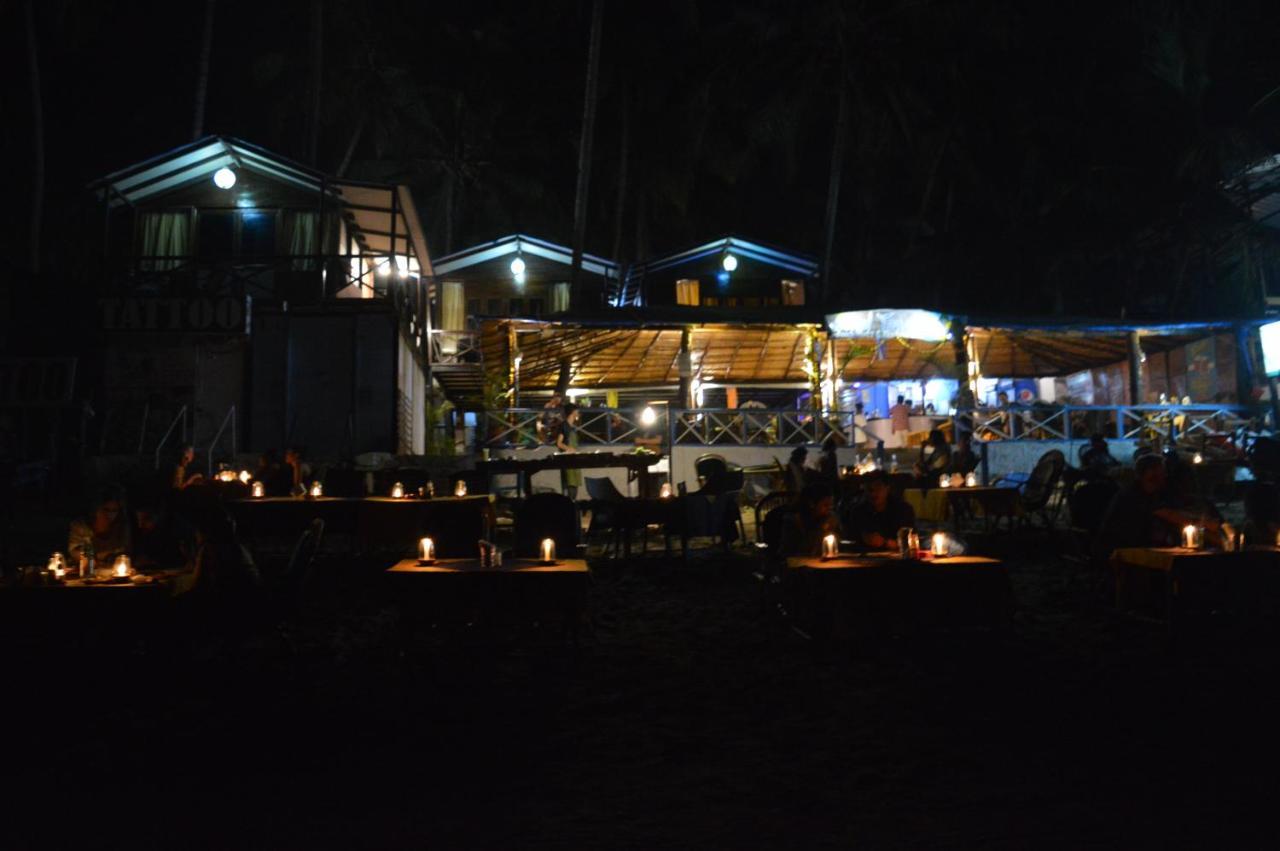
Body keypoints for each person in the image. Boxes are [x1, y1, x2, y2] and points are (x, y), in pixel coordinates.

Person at [1094, 454, 1219, 560]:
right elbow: (1169, 514)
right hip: (1123, 548)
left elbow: (1175, 510)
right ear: (1150, 473)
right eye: (1162, 471)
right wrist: (1205, 523)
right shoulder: (1134, 494)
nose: (1166, 475)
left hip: (1141, 542)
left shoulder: (1155, 493)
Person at [845, 469, 915, 550]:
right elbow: (849, 539)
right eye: (869, 488)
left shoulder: (903, 510)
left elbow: (911, 540)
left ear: (887, 488)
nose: (873, 493)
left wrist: (886, 542)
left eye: (878, 487)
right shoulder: (857, 511)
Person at [68, 486, 132, 565]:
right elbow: (75, 551)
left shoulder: (122, 527)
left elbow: (125, 551)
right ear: (96, 509)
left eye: (114, 511)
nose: (110, 515)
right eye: (106, 510)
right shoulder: (81, 526)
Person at [780, 481, 841, 557]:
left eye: (831, 505)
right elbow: (793, 551)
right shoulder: (793, 521)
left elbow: (838, 545)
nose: (829, 509)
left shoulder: (829, 519)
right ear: (812, 504)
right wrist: (822, 530)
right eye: (825, 505)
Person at [556, 402, 582, 499]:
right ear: (573, 412)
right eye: (577, 410)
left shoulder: (573, 427)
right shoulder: (564, 426)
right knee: (570, 488)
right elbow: (559, 443)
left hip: (574, 459)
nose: (578, 412)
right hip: (567, 460)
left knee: (574, 487)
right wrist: (569, 449)